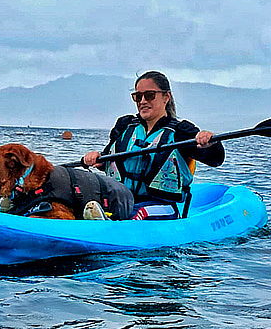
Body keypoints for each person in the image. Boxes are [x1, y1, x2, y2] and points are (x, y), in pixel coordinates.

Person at [82, 71, 224, 220]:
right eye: (138, 97)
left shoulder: (181, 132)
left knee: (139, 214)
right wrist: (97, 159)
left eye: (149, 95)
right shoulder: (124, 126)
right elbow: (107, 159)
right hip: (122, 200)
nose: (142, 101)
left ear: (166, 97)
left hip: (160, 205)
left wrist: (210, 142)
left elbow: (216, 159)